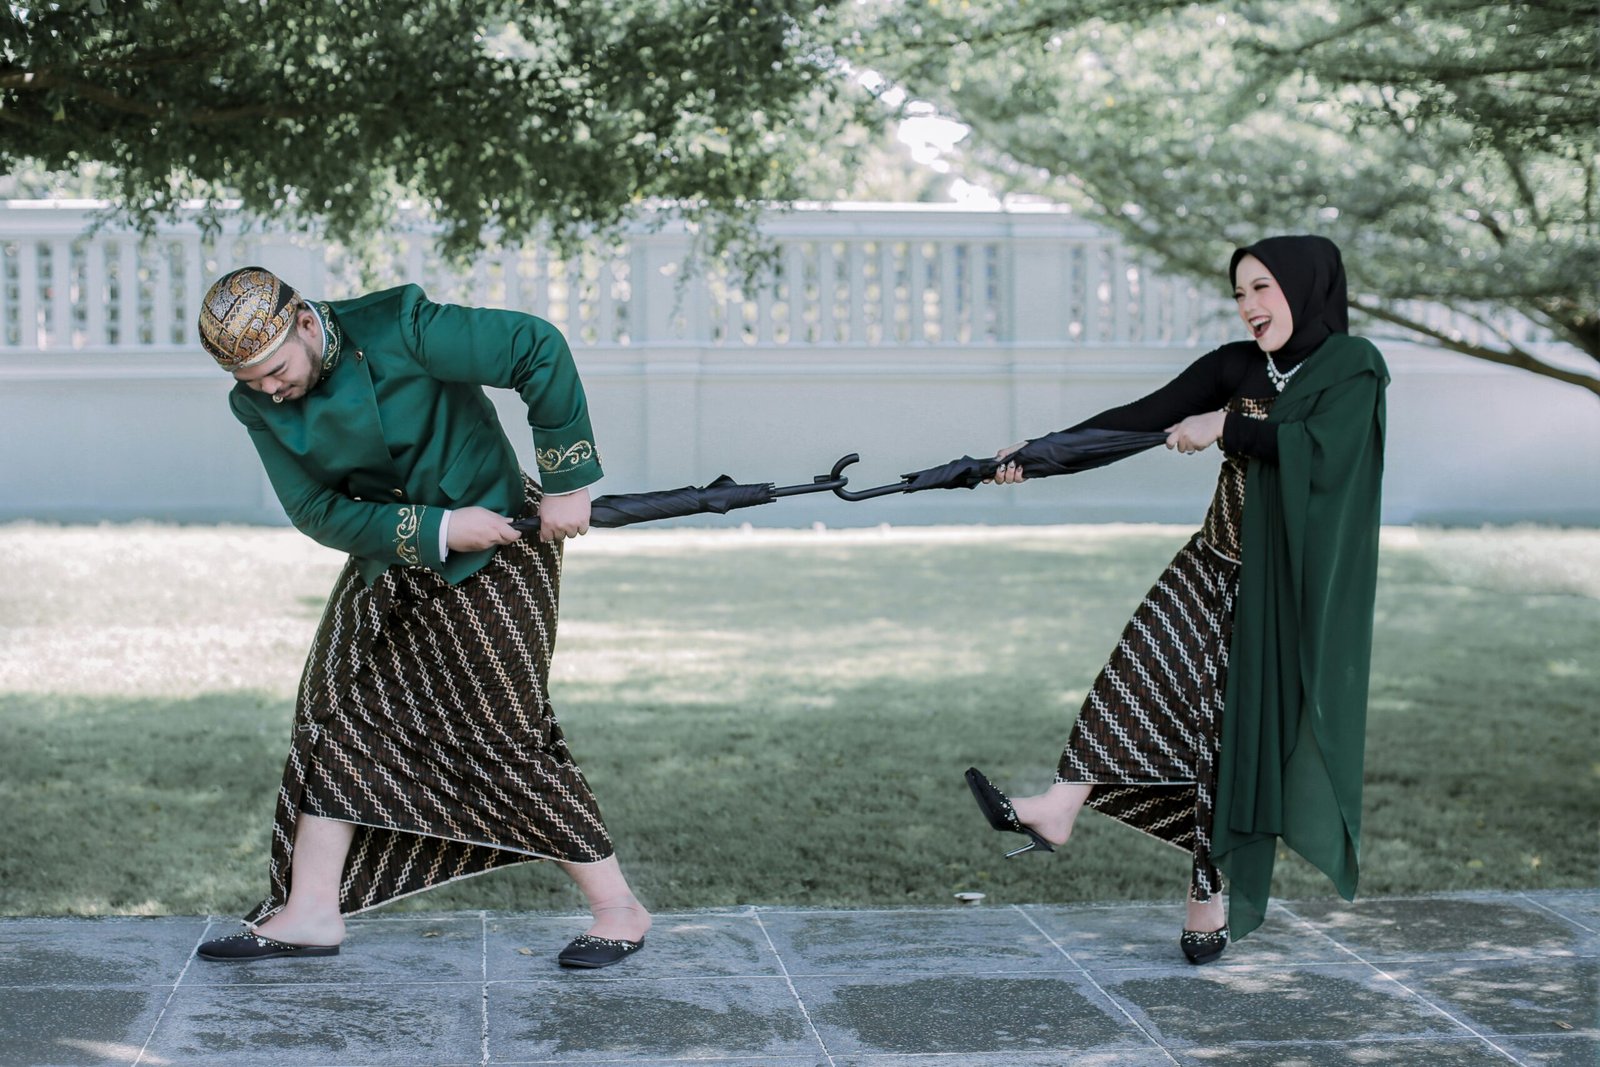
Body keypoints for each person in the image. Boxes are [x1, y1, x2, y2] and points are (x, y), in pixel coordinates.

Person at [191, 267, 651, 969]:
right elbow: (318, 510)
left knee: (498, 728)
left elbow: (536, 346)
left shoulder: (404, 327)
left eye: (275, 371)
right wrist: (436, 528)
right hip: (395, 557)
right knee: (337, 713)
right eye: (250, 380)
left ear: (307, 324)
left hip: (506, 546)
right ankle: (312, 909)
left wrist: (565, 482)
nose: (268, 390)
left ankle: (618, 908)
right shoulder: (253, 403)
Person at [965, 235, 1387, 963]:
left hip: (1283, 595)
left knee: (1223, 736)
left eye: (1262, 288)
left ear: (1304, 285)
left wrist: (1227, 425)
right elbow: (1137, 418)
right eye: (1239, 294)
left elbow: (1327, 452)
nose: (1250, 306)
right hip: (1213, 557)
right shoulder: (1237, 365)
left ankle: (1207, 896)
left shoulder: (1353, 369)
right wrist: (1026, 459)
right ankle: (1060, 807)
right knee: (1137, 667)